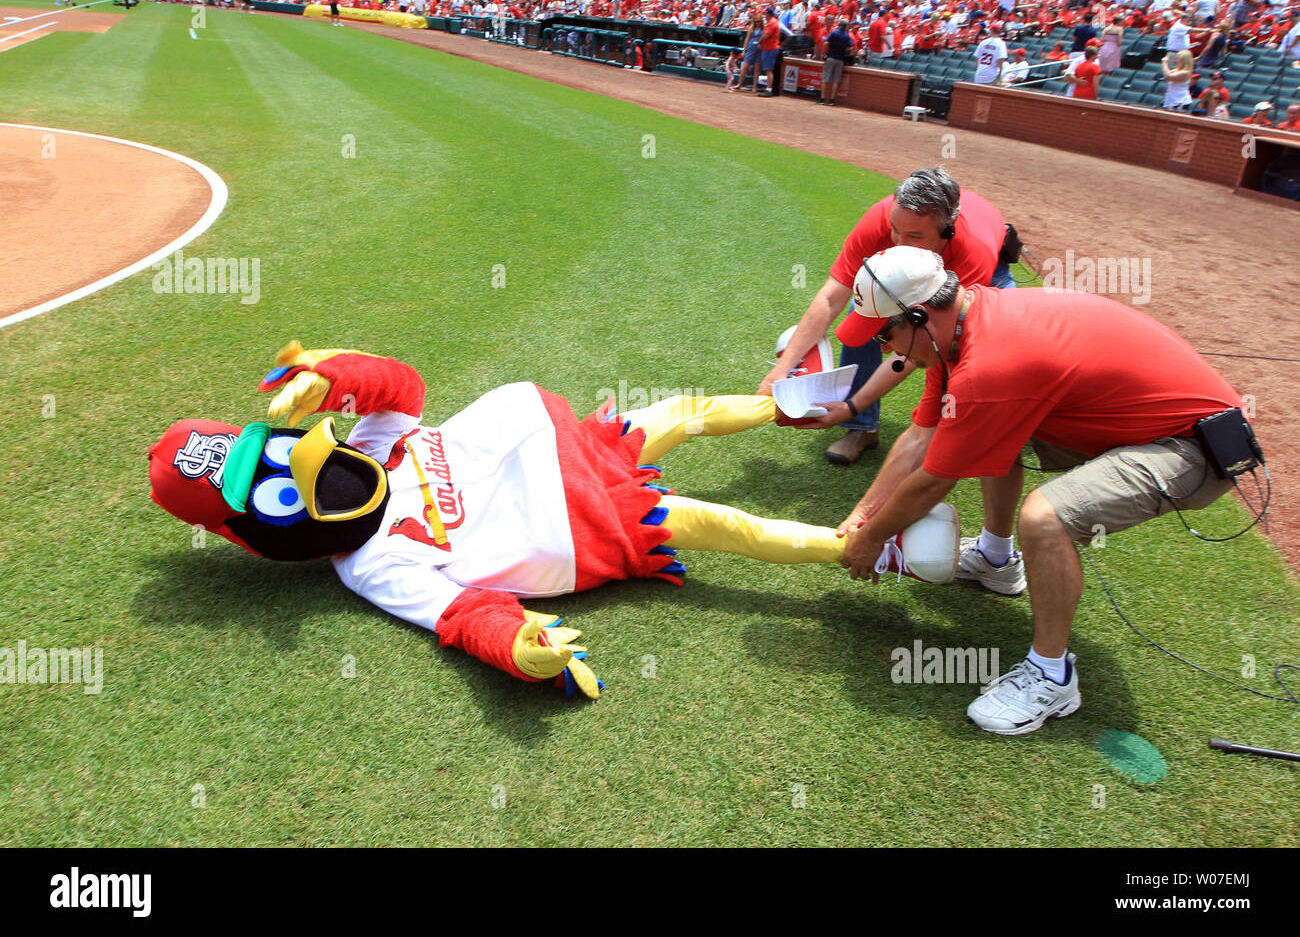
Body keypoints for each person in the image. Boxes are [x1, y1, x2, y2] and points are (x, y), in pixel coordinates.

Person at [152, 342, 931, 701]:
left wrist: (331, 374)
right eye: (275, 493)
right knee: (730, 526)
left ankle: (791, 402)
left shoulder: (370, 440)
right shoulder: (371, 566)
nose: (299, 469)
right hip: (588, 517)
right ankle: (853, 547)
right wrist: (520, 647)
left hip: (566, 441)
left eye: (279, 455)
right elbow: (460, 615)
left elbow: (399, 385)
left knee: (683, 414)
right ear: (258, 536)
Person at [835, 245, 1247, 735]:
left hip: (1191, 448)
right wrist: (863, 513)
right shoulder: (963, 328)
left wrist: (872, 538)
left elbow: (933, 481)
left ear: (920, 315)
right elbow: (921, 438)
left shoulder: (991, 364)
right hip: (1143, 426)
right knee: (991, 429)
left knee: (1044, 517)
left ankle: (1053, 676)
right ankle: (995, 559)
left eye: (885, 333)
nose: (884, 349)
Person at [758, 167, 1015, 469]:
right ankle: (863, 428)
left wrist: (852, 405)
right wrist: (782, 370)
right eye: (895, 230)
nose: (899, 243)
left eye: (915, 236)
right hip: (929, 263)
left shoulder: (973, 253)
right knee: (865, 312)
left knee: (974, 345)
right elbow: (831, 298)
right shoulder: (881, 221)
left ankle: (996, 424)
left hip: (986, 262)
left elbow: (925, 344)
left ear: (947, 231)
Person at [822, 18, 852, 104]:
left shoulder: (834, 33)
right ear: (846, 26)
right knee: (836, 80)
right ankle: (832, 100)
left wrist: (823, 55)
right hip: (840, 59)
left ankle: (822, 99)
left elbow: (826, 43)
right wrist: (845, 50)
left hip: (831, 57)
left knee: (825, 79)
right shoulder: (847, 36)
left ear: (840, 25)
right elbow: (850, 48)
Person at [757, 6, 781, 96]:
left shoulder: (772, 22)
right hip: (769, 48)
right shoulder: (773, 22)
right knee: (769, 70)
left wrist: (759, 43)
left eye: (765, 14)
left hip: (770, 48)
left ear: (768, 14)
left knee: (768, 70)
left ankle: (769, 89)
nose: (764, 15)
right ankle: (769, 88)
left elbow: (766, 36)